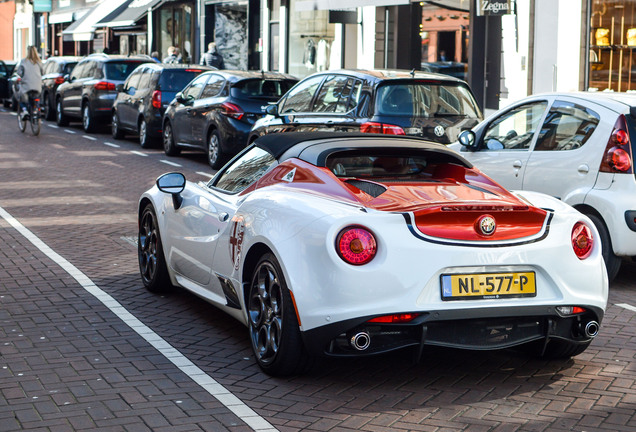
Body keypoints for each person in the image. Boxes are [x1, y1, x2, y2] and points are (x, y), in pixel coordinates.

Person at [16, 46, 43, 117]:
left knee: (21, 98)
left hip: (26, 85)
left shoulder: (24, 61)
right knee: (36, 96)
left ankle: (25, 110)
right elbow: (43, 72)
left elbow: (19, 72)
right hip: (37, 85)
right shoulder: (39, 62)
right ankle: (36, 108)